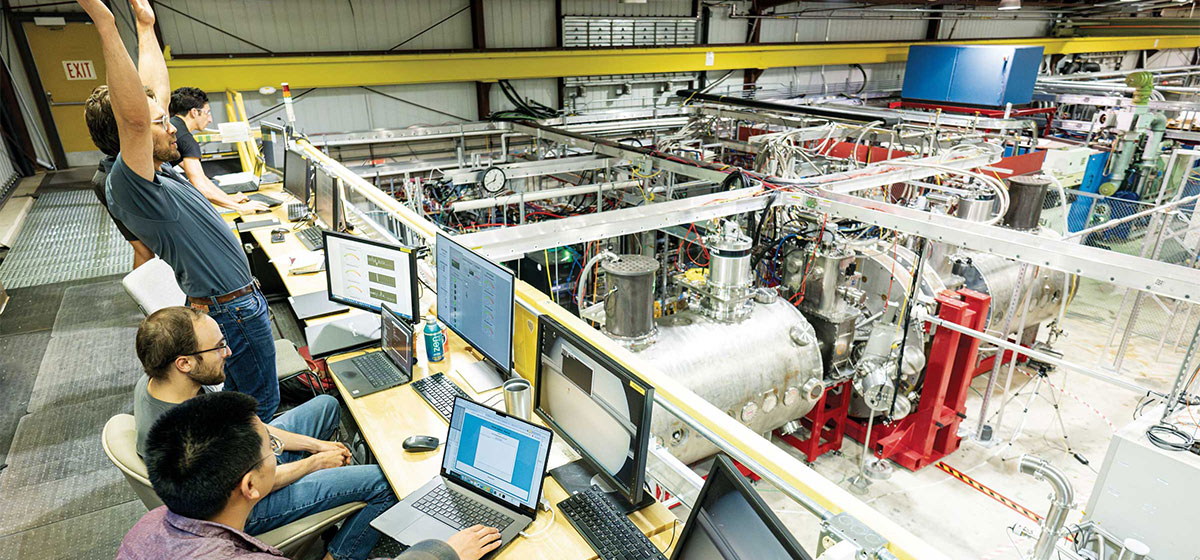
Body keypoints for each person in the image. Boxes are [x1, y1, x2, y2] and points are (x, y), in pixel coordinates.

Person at [78, 0, 279, 420]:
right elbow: (135, 119)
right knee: (262, 406)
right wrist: (105, 23)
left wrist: (145, 25)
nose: (172, 126)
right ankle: (264, 474)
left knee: (247, 399)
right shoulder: (131, 184)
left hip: (232, 304)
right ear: (129, 132)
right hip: (232, 309)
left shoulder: (156, 169)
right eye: (158, 122)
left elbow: (151, 96)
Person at [118, 391, 502, 560]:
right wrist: (445, 552)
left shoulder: (146, 528)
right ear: (250, 486)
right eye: (271, 449)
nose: (275, 448)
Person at [167, 86, 268, 213]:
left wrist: (229, 199)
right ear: (194, 112)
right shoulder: (186, 139)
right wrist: (240, 207)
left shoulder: (173, 126)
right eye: (207, 112)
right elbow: (200, 185)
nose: (210, 119)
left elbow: (201, 178)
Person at [86, 148, 155, 269]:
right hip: (119, 178)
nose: (171, 129)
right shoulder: (183, 139)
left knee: (143, 251)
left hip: (105, 173)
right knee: (144, 250)